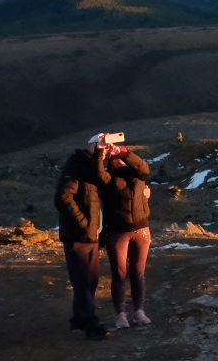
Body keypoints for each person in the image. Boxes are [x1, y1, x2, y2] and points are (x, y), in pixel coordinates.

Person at [55, 134, 112, 339]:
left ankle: (79, 318)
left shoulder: (95, 168)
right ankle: (91, 325)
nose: (102, 150)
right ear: (89, 146)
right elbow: (62, 197)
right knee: (82, 283)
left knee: (91, 281)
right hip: (78, 235)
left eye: (103, 147)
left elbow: (104, 184)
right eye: (98, 146)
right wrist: (83, 223)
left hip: (92, 235)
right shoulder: (76, 165)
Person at [100, 138, 152, 329]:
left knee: (138, 273)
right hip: (117, 231)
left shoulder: (138, 175)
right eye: (114, 157)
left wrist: (122, 151)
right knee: (119, 274)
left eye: (120, 156)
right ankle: (120, 315)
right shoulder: (107, 177)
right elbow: (97, 172)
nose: (118, 159)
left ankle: (139, 311)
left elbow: (144, 167)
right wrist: (102, 152)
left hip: (141, 229)